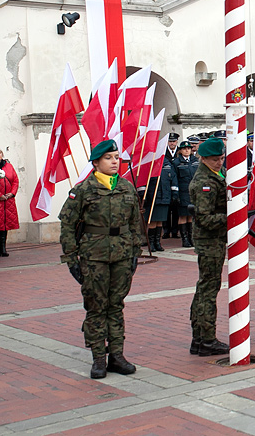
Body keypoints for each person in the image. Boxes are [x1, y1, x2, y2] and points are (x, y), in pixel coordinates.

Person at [58, 140, 141, 378]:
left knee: (116, 305)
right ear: (96, 163)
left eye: (116, 157)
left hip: (122, 254)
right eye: (109, 158)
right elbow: (68, 225)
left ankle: (117, 355)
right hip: (94, 256)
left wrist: (135, 251)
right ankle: (98, 359)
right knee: (96, 306)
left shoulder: (126, 187)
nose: (115, 161)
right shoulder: (83, 190)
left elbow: (135, 223)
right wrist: (71, 258)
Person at [188, 137, 230, 357]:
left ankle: (199, 338)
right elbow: (205, 218)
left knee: (206, 288)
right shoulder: (204, 182)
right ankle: (206, 338)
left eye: (221, 158)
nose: (219, 163)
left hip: (214, 240)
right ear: (203, 158)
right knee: (208, 290)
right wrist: (232, 216)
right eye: (215, 159)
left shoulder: (215, 175)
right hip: (209, 240)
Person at [141, 157, 178, 252]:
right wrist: (143, 196)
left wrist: (174, 193)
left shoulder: (167, 164)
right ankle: (151, 242)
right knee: (153, 221)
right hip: (152, 197)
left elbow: (173, 179)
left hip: (164, 196)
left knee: (160, 221)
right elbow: (142, 181)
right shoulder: (148, 163)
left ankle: (157, 242)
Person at [174, 140, 198, 247]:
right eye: (184, 149)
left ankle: (191, 237)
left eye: (188, 148)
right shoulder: (176, 162)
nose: (187, 150)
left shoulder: (195, 161)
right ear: (180, 150)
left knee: (191, 215)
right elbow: (174, 178)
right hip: (183, 192)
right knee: (183, 215)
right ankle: (184, 239)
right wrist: (175, 193)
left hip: (193, 192)